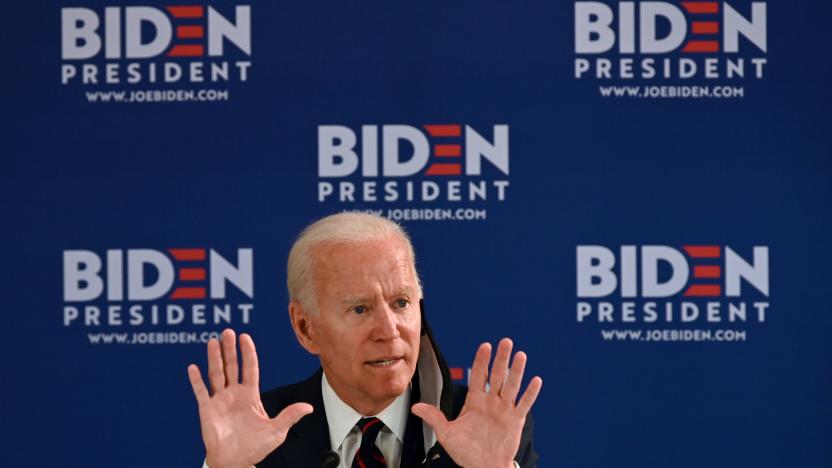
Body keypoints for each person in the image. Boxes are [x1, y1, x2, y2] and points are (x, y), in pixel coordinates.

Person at [187, 213, 542, 468]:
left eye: (401, 303)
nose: (389, 330)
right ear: (305, 327)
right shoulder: (258, 432)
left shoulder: (483, 426)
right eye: (360, 309)